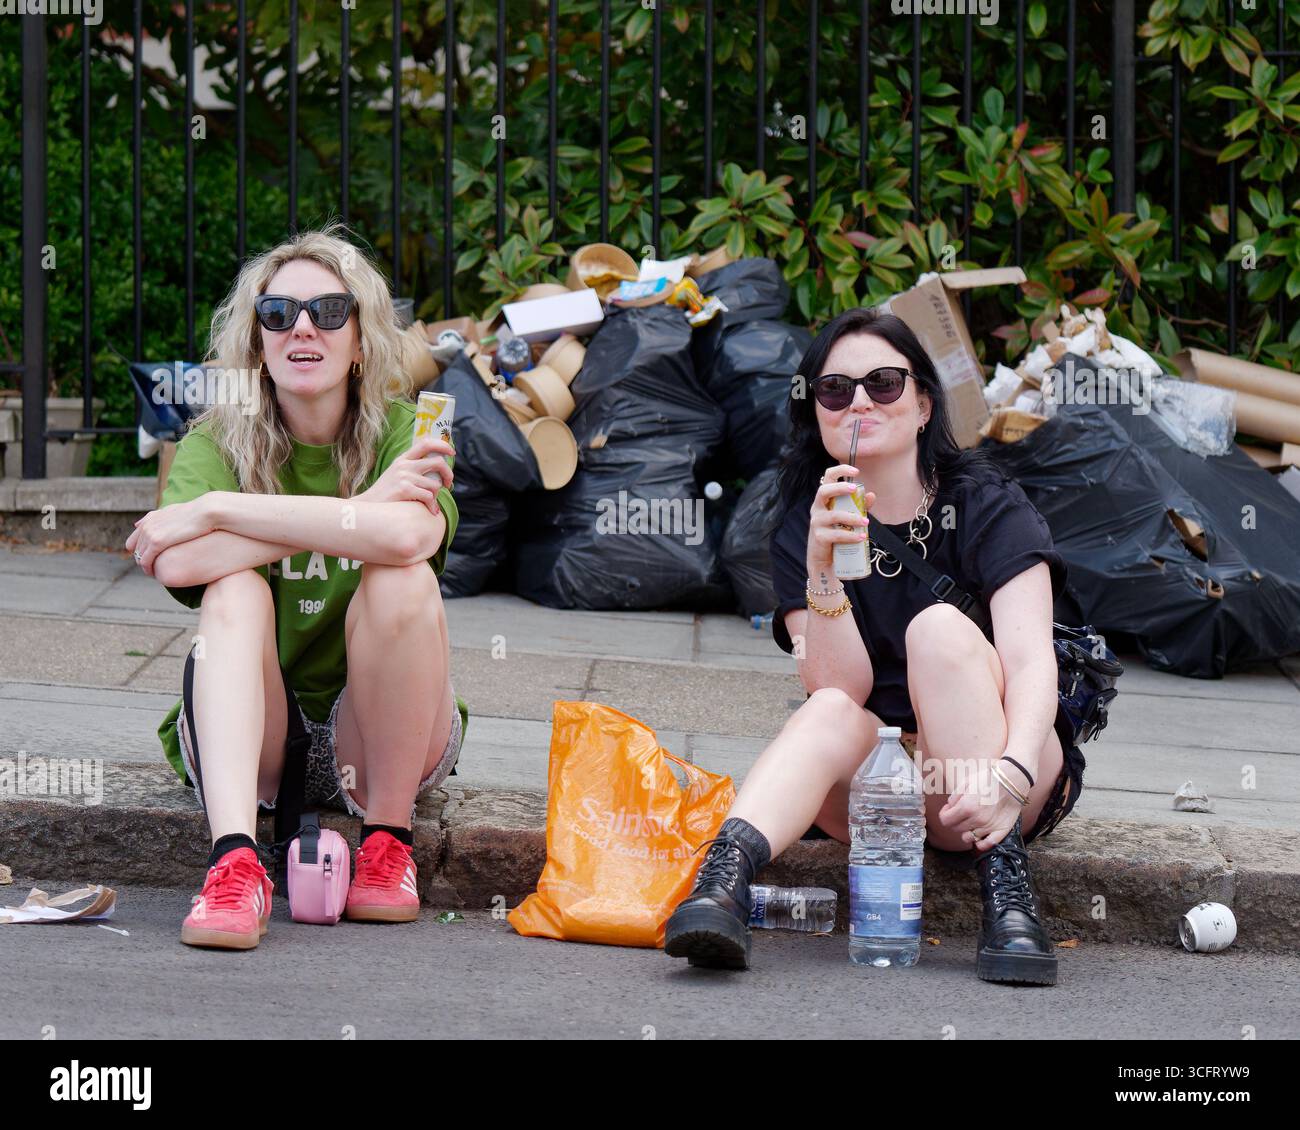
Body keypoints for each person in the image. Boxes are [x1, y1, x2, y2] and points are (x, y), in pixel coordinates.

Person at [665, 308, 1082, 985]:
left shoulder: (987, 504)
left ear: (922, 404)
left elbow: (1035, 662)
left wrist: (1010, 775)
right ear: (819, 415)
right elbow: (836, 688)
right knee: (828, 710)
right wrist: (822, 567)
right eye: (835, 389)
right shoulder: (806, 522)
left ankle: (1008, 895)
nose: (858, 400)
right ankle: (721, 886)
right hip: (878, 791)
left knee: (940, 629)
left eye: (883, 383)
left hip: (999, 768)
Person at [129, 226, 466, 950]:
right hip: (255, 737)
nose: (302, 328)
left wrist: (220, 511)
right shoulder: (215, 442)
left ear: (363, 340)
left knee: (402, 582)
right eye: (277, 314)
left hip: (381, 737)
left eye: (329, 312)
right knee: (233, 591)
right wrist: (361, 512)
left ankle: (387, 845)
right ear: (257, 341)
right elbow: (179, 565)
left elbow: (410, 538)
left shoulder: (410, 431)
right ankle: (235, 864)